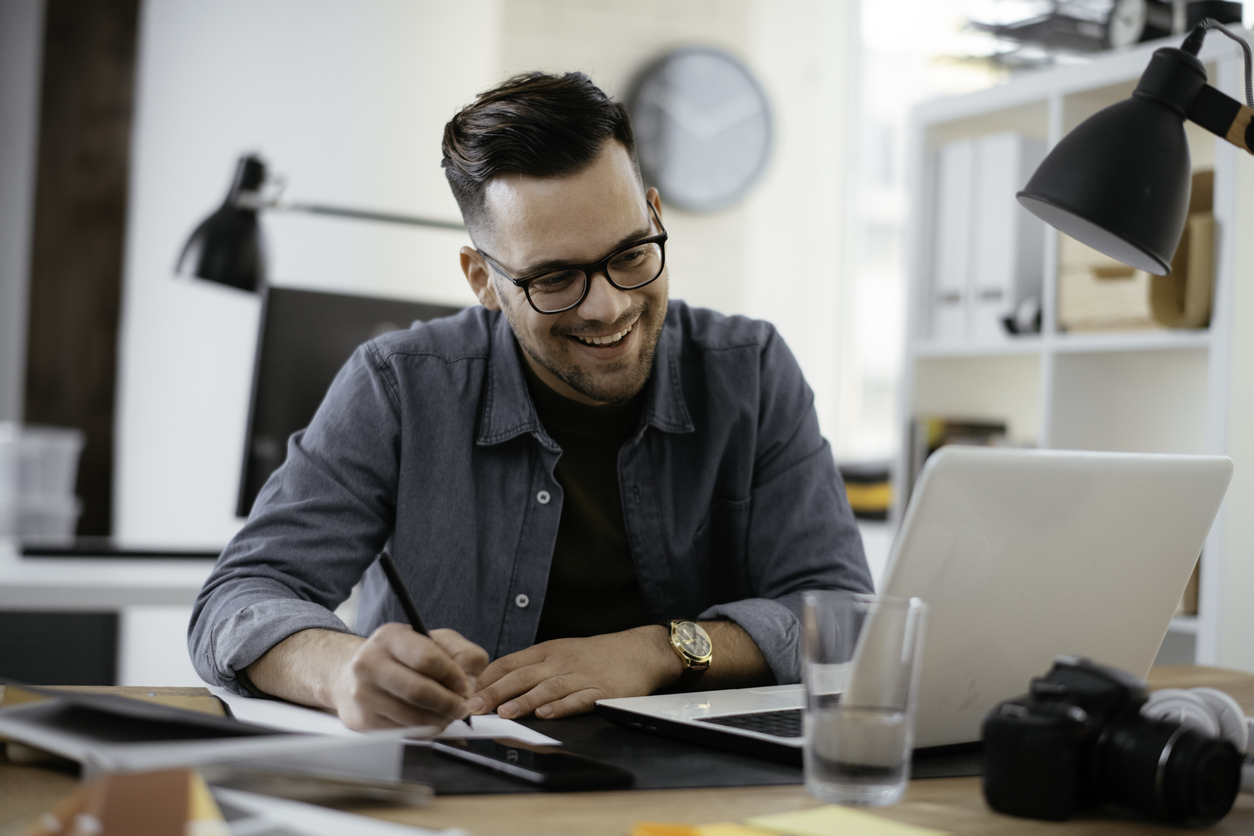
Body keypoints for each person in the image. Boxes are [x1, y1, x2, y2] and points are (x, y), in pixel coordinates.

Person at [189, 71, 871, 731]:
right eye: (554, 277)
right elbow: (236, 599)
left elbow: (845, 617)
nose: (609, 307)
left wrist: (657, 651)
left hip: (703, 786)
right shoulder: (397, 385)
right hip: (454, 781)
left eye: (632, 253)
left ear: (656, 216)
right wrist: (340, 670)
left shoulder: (751, 371)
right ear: (483, 279)